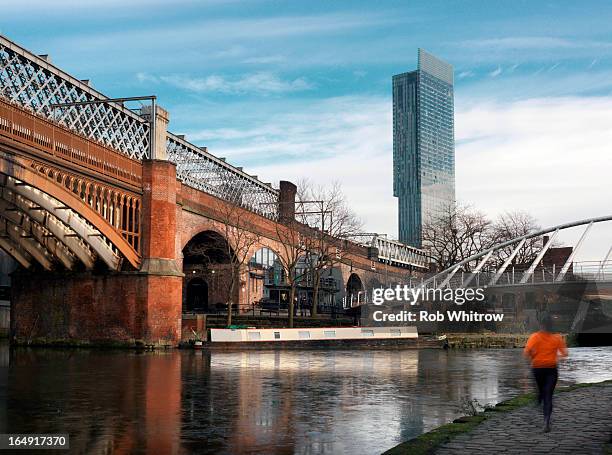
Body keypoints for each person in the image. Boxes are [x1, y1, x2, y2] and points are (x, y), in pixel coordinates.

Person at [523, 313, 568, 433]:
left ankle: (539, 396)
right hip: (551, 370)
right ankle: (546, 422)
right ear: (551, 325)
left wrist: (532, 360)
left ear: (540, 324)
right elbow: (564, 354)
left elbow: (526, 353)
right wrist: (557, 358)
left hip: (537, 369)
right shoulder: (557, 338)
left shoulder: (534, 337)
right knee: (548, 395)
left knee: (541, 392)